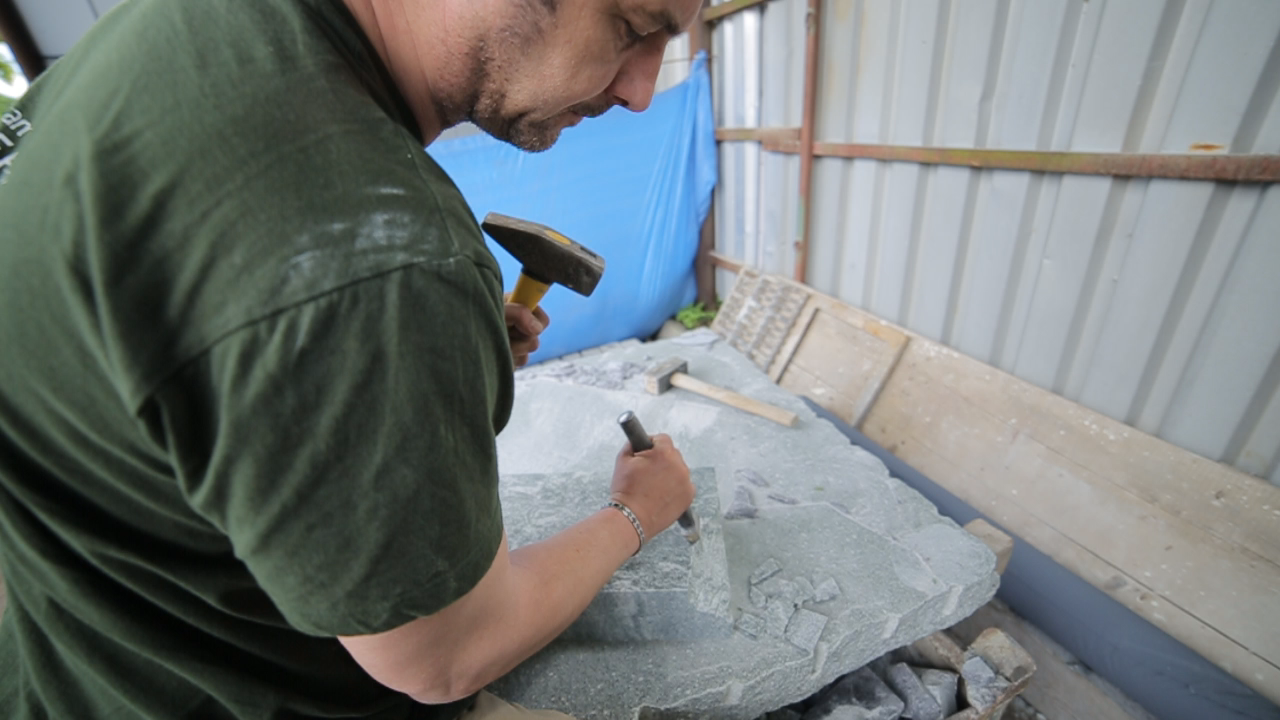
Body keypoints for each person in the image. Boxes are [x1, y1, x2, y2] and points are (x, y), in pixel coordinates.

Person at [0, 0, 702, 717]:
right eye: (630, 26)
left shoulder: (170, 33)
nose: (641, 91)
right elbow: (451, 655)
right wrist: (635, 512)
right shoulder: (378, 255)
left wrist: (413, 355)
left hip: (69, 662)